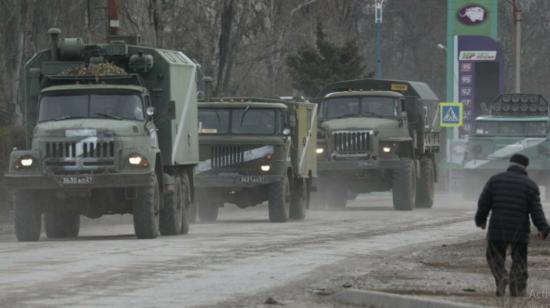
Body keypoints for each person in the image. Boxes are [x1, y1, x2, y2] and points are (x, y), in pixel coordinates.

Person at [476, 153, 549, 297]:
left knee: (494, 256)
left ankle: (501, 276)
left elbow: (484, 203)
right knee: (519, 260)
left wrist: (481, 220)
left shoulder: (495, 180)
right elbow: (536, 210)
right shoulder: (531, 185)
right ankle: (517, 291)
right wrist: (543, 228)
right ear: (525, 167)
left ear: (509, 164)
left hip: (498, 228)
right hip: (519, 231)